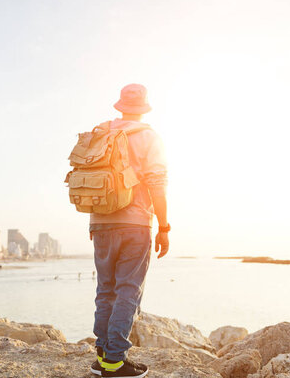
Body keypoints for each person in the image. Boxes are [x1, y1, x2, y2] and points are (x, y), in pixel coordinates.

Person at [89, 83, 169, 378]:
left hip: (99, 221)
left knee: (105, 289)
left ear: (119, 106)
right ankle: (115, 361)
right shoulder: (148, 136)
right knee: (128, 291)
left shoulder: (100, 132)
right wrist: (164, 226)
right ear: (144, 108)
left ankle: (102, 353)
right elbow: (157, 184)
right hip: (134, 224)